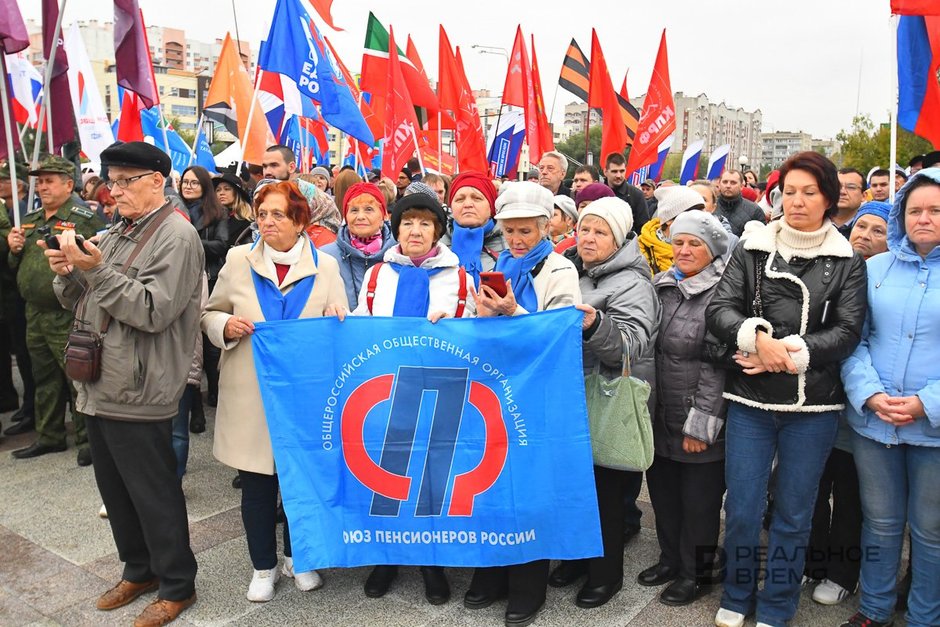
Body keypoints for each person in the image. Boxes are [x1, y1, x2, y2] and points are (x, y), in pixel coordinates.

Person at [705, 152, 868, 627]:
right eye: (789, 191)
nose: (797, 201)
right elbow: (722, 309)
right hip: (751, 401)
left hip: (812, 404)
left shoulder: (847, 261)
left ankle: (777, 604)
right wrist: (757, 338)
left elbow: (847, 330)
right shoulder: (752, 246)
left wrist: (787, 353)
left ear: (828, 199)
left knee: (795, 513)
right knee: (741, 506)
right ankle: (736, 595)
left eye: (810, 192)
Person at [47, 141, 203, 626]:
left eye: (125, 181)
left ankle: (177, 583)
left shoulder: (176, 235)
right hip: (99, 381)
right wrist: (68, 273)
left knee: (153, 491)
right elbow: (84, 301)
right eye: (111, 181)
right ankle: (139, 569)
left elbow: (151, 311)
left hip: (141, 385)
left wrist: (97, 271)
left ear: (158, 180)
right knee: (115, 491)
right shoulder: (118, 231)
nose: (115, 191)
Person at [202, 180, 347, 602]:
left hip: (305, 397)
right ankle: (263, 566)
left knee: (300, 484)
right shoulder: (237, 259)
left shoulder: (327, 267)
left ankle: (298, 558)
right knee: (258, 486)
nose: (266, 222)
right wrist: (223, 327)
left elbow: (339, 318)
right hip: (250, 394)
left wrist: (340, 316)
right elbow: (210, 313)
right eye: (261, 214)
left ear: (300, 220)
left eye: (277, 215)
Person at [350, 193, 473, 607]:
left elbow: (474, 335)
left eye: (424, 223)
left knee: (431, 475)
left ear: (438, 230)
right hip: (387, 390)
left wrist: (452, 328)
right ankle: (386, 556)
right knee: (387, 470)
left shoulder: (459, 278)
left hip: (438, 391)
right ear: (396, 228)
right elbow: (361, 326)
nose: (415, 231)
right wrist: (341, 318)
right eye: (407, 223)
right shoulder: (377, 275)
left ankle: (429, 561)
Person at [466, 181, 580, 627]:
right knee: (490, 481)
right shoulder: (500, 265)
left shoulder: (559, 270)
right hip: (497, 389)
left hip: (539, 394)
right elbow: (484, 332)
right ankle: (492, 573)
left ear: (544, 228)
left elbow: (560, 334)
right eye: (509, 231)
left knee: (529, 490)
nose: (515, 240)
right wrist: (479, 313)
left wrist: (513, 313)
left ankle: (527, 586)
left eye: (524, 232)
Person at [839, 168, 940, 627]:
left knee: (931, 532)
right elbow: (853, 338)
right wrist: (870, 393)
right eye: (915, 209)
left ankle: (924, 616)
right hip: (874, 423)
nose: (924, 218)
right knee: (879, 525)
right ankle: (875, 611)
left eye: (935, 210)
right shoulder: (874, 269)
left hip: (932, 429)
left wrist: (926, 403)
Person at [548, 196, 659, 610]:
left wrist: (596, 325)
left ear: (619, 238)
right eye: (585, 228)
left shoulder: (634, 283)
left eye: (600, 232)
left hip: (607, 398)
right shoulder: (570, 268)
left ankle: (606, 575)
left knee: (608, 495)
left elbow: (631, 347)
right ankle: (578, 560)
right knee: (577, 488)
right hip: (572, 396)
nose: (588, 237)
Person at [803, 201, 892, 609]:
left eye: (879, 231)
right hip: (818, 399)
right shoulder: (831, 266)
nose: (866, 236)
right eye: (862, 227)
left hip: (865, 406)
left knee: (852, 493)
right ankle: (812, 559)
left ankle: (843, 573)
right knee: (812, 487)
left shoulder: (889, 283)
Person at [642, 210, 729, 607]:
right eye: (679, 241)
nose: (685, 250)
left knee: (700, 503)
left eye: (695, 243)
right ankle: (670, 559)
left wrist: (703, 424)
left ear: (712, 250)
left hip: (696, 417)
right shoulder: (661, 286)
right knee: (664, 495)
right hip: (661, 413)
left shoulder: (722, 294)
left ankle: (697, 573)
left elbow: (716, 363)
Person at [8, 156, 104, 465]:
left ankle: (88, 438)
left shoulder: (83, 218)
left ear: (68, 183)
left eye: (49, 180)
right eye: (40, 181)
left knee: (76, 374)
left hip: (67, 310)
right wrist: (14, 250)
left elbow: (97, 261)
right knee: (42, 376)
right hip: (34, 312)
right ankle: (49, 435)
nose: (42, 185)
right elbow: (17, 266)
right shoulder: (31, 218)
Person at [180, 165, 229, 413]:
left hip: (209, 279)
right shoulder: (173, 210)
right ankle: (193, 402)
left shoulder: (217, 212)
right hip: (181, 279)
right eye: (185, 182)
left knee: (209, 344)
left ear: (204, 187)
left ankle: (214, 391)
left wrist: (186, 241)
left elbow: (221, 245)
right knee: (187, 342)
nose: (188, 187)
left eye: (194, 183)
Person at [320, 182, 397, 307]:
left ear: (383, 215)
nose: (360, 216)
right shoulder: (325, 257)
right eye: (354, 210)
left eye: (369, 209)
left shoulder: (399, 256)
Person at [439, 172, 506, 286]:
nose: (468, 204)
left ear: (491, 206)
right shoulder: (435, 244)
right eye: (460, 199)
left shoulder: (511, 244)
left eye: (477, 198)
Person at [637, 185, 707, 274]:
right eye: (691, 215)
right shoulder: (640, 252)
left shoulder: (708, 248)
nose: (700, 221)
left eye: (702, 215)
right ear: (669, 220)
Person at [603, 153, 649, 233]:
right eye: (614, 171)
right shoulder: (597, 193)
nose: (618, 175)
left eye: (622, 171)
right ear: (605, 172)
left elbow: (643, 228)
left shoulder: (637, 195)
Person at [713, 169, 766, 237]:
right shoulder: (710, 207)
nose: (728, 186)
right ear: (719, 184)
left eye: (733, 183)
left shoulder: (755, 211)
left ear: (741, 186)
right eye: (725, 182)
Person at [213, 172, 254, 247]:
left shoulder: (248, 223)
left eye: (227, 189)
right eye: (218, 190)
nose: (221, 193)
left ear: (236, 193)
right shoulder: (210, 218)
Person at [834, 168, 867, 237]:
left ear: (864, 196)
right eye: (837, 186)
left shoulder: (869, 229)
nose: (842, 192)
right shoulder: (814, 224)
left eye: (851, 187)